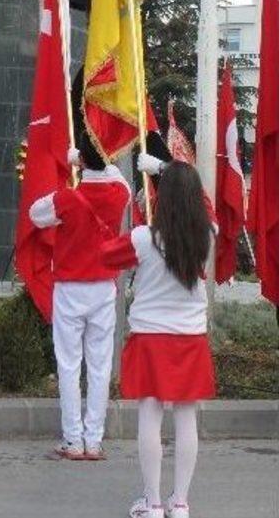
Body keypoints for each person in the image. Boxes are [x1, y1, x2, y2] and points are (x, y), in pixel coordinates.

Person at [101, 157, 217, 518]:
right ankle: (180, 502)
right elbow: (205, 204)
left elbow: (107, 255)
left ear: (161, 198)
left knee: (149, 418)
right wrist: (165, 168)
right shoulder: (208, 234)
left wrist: (141, 206)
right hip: (190, 339)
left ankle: (152, 504)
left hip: (150, 338)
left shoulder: (142, 238)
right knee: (186, 420)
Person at [29, 132, 131, 461]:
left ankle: (73, 440)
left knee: (69, 365)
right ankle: (95, 440)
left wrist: (78, 164)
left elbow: (35, 214)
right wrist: (94, 161)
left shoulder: (69, 197)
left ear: (81, 159)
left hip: (70, 289)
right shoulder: (119, 193)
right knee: (99, 367)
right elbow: (120, 179)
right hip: (103, 288)